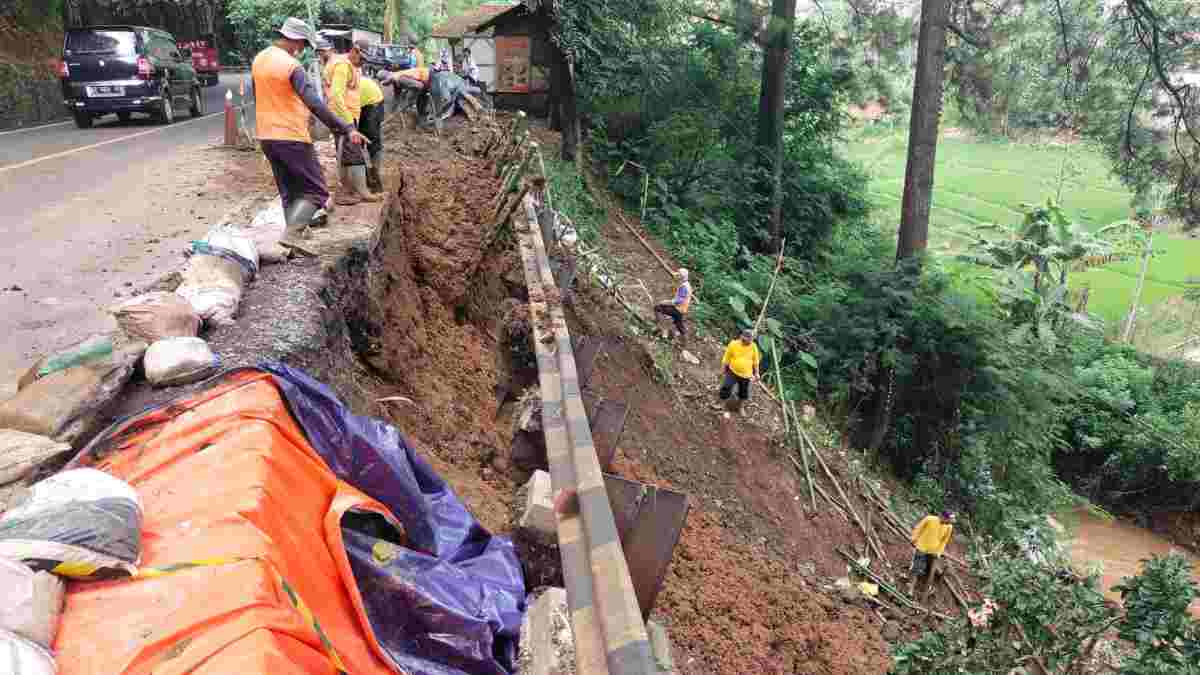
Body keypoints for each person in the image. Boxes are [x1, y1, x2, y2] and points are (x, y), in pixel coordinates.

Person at [251, 18, 368, 251]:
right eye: (303, 44)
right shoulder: (291, 65)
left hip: (266, 135)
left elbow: (257, 96)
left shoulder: (259, 59)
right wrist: (346, 128)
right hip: (291, 136)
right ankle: (293, 234)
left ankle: (294, 237)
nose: (302, 50)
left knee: (289, 190)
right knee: (317, 191)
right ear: (296, 41)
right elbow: (316, 104)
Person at [324, 39, 379, 205]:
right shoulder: (343, 66)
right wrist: (348, 124)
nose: (363, 63)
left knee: (346, 153)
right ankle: (361, 192)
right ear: (355, 51)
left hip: (346, 116)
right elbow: (335, 95)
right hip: (342, 117)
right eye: (362, 59)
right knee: (353, 153)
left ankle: (348, 190)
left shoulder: (352, 67)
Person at [907, 510, 956, 599]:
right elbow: (918, 528)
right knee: (916, 568)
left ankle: (926, 590)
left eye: (951, 521)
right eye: (949, 520)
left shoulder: (949, 527)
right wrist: (913, 539)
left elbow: (944, 541)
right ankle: (910, 589)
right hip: (921, 547)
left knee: (930, 570)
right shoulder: (930, 519)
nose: (950, 522)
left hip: (934, 552)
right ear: (943, 517)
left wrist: (939, 552)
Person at [719, 328, 761, 414]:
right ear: (741, 336)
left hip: (746, 375)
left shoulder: (753, 347)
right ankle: (722, 404)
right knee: (726, 386)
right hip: (732, 371)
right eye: (745, 339)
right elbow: (726, 357)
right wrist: (723, 369)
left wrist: (757, 373)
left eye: (750, 340)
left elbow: (756, 361)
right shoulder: (733, 344)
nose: (748, 342)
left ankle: (740, 407)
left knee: (744, 392)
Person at [357, 72, 386, 193]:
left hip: (373, 101)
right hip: (359, 102)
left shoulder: (343, 88)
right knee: (356, 141)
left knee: (371, 136)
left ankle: (375, 173)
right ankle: (364, 175)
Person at [653, 268, 691, 343]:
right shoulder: (686, 284)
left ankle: (663, 330)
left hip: (678, 309)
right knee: (678, 323)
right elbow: (675, 276)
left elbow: (678, 301)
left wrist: (665, 302)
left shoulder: (684, 287)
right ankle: (685, 340)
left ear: (682, 277)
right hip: (682, 309)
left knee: (658, 308)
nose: (677, 274)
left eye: (678, 274)